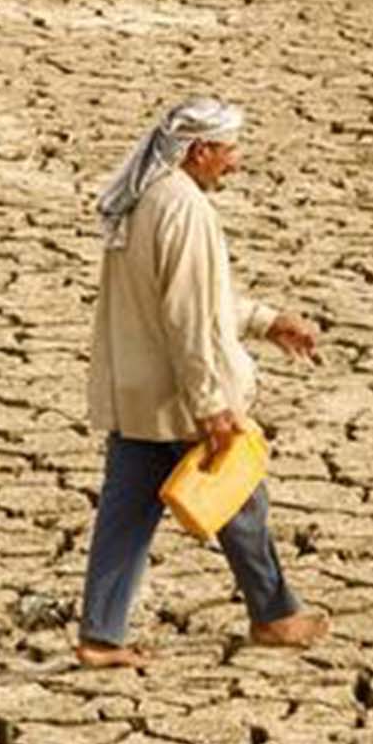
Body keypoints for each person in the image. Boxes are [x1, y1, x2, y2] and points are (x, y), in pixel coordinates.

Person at [74, 97, 329, 668]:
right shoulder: (184, 209)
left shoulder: (143, 197)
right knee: (241, 499)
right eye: (230, 150)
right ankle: (275, 616)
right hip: (178, 396)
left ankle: (100, 636)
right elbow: (189, 317)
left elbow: (194, 302)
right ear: (200, 150)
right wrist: (211, 404)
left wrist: (266, 321)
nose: (236, 162)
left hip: (138, 395)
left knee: (124, 516)